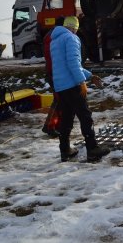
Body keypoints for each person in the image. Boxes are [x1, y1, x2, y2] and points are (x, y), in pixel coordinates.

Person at [50, 16, 110, 162]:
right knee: (85, 117)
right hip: (72, 85)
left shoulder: (55, 40)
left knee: (66, 119)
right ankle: (92, 149)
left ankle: (65, 150)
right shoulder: (71, 38)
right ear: (75, 28)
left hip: (61, 86)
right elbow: (73, 63)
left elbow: (67, 65)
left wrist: (90, 76)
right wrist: (81, 82)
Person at [41, 17, 64, 137]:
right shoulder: (54, 37)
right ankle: (49, 126)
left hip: (52, 72)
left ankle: (57, 125)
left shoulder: (50, 35)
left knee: (60, 100)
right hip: (54, 72)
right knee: (58, 100)